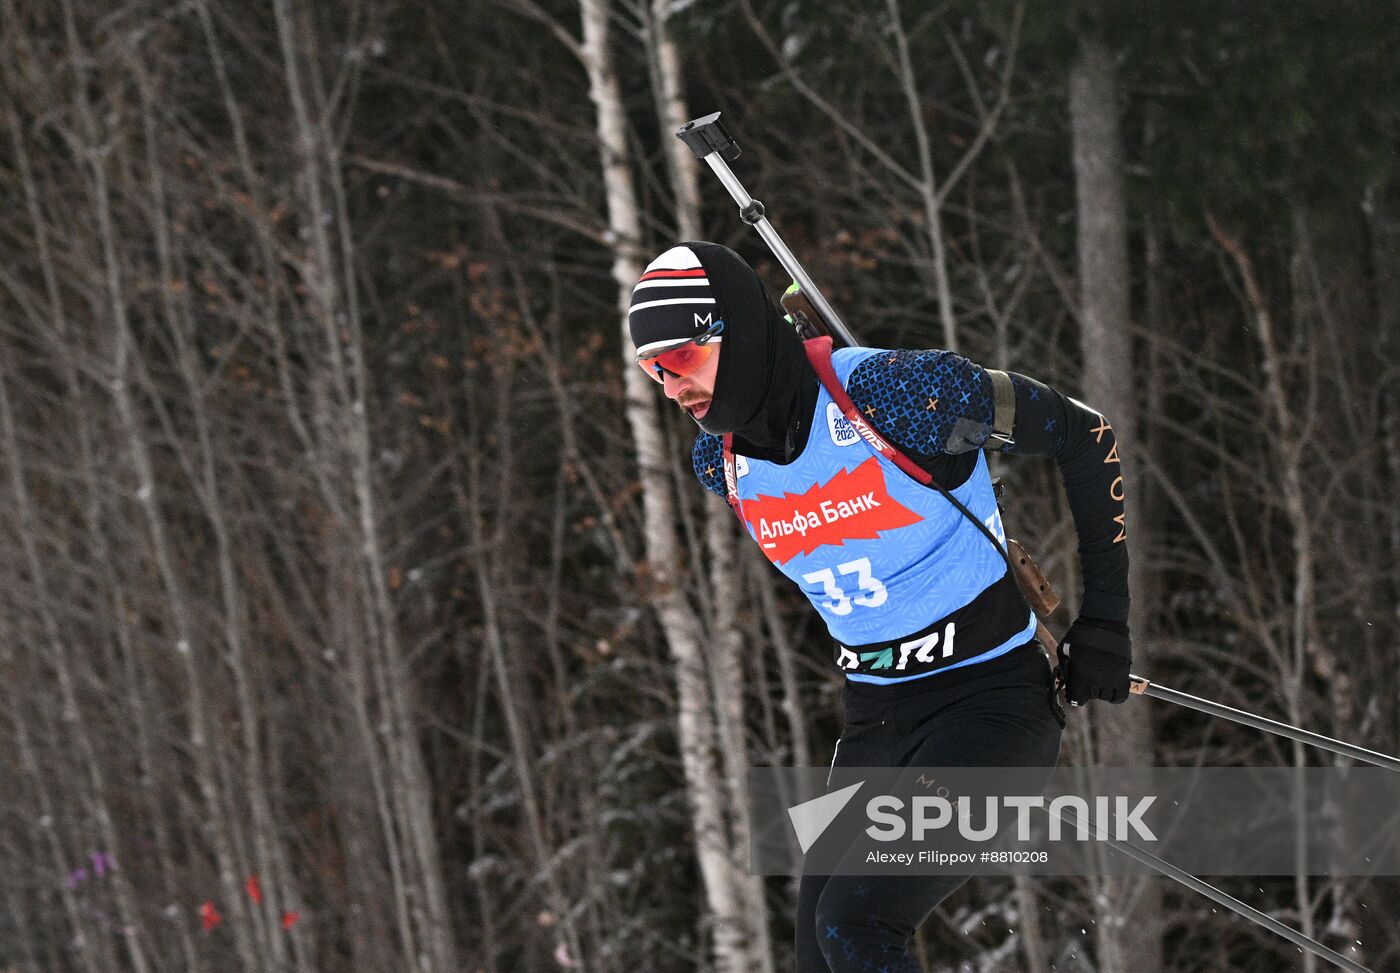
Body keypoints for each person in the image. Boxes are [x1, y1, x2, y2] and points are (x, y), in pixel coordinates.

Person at [628, 241, 1132, 972]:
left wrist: (1107, 621)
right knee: (817, 951)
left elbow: (1087, 434)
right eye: (652, 370)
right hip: (874, 722)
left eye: (677, 360)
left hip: (992, 706)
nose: (671, 389)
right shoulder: (721, 462)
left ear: (731, 329)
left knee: (854, 923)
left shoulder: (903, 396)